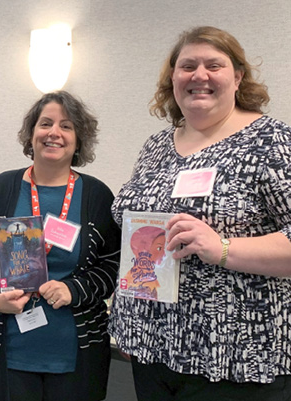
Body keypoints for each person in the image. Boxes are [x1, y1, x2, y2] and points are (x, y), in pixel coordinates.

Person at [109, 26, 291, 400]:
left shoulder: (271, 141)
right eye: (187, 65)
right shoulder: (157, 146)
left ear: (238, 77)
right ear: (173, 77)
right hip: (152, 350)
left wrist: (222, 247)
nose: (199, 75)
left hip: (234, 357)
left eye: (214, 65)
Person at [0, 91, 121, 401]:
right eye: (45, 123)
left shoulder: (97, 195)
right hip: (6, 346)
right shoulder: (1, 188)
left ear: (79, 139)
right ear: (32, 133)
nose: (54, 133)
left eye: (66, 126)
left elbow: (112, 265)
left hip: (76, 348)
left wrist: (73, 289)